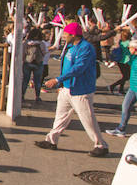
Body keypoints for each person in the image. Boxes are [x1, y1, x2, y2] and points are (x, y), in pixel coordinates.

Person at [37, 22, 109, 157]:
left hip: (81, 90)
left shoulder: (86, 48)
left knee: (87, 119)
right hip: (67, 88)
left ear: (73, 35)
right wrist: (61, 84)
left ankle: (101, 145)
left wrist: (58, 80)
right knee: (60, 117)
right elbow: (66, 66)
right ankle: (51, 140)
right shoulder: (70, 46)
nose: (63, 36)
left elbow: (79, 68)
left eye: (66, 34)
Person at [22, 27, 46, 102]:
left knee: (25, 80)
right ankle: (37, 96)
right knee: (37, 81)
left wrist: (23, 60)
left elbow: (23, 52)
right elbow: (44, 53)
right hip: (38, 63)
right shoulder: (41, 43)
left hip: (28, 62)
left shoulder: (26, 43)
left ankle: (22, 95)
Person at [108, 28, 132, 95]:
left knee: (124, 76)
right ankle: (113, 86)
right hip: (126, 61)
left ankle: (121, 89)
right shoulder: (128, 43)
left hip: (120, 60)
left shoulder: (121, 42)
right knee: (126, 76)